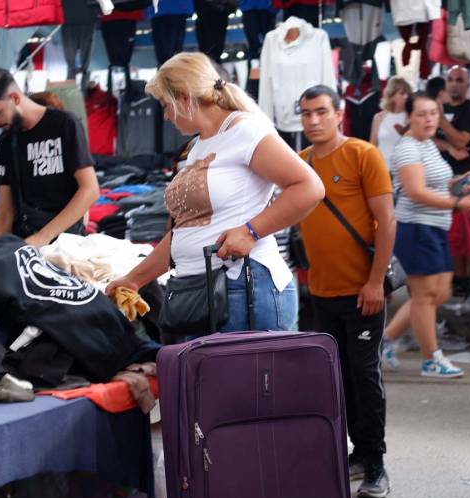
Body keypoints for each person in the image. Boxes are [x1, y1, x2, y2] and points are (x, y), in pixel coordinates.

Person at [105, 52, 322, 333]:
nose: (167, 116)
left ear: (184, 97)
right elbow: (183, 231)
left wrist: (250, 231)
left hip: (242, 287)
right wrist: (134, 279)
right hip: (199, 294)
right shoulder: (197, 147)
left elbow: (309, 187)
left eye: (165, 105)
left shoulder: (246, 131)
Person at [298, 84, 396, 498]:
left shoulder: (362, 155)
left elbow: (386, 222)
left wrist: (375, 282)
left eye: (321, 112)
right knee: (336, 379)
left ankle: (375, 462)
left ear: (339, 113)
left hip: (362, 292)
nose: (314, 121)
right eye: (306, 114)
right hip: (321, 292)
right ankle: (355, 454)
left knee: (364, 376)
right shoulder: (298, 163)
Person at [381, 92, 470, 377]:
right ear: (409, 117)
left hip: (435, 228)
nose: (428, 119)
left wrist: (459, 184)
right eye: (421, 114)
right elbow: (415, 191)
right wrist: (457, 203)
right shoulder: (408, 148)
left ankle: (386, 340)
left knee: (439, 293)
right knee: (425, 295)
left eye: (433, 114)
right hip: (416, 228)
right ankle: (431, 359)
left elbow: (433, 184)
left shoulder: (427, 145)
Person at [0, 67, 99, 247]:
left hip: (66, 245)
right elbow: (5, 210)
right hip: (24, 242)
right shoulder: (5, 142)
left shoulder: (64, 124)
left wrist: (43, 237)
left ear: (14, 98)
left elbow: (90, 190)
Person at [436, 65, 470, 174]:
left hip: (462, 176)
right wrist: (449, 147)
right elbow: (428, 140)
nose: (454, 84)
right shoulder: (442, 107)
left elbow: (460, 142)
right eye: (450, 80)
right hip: (438, 173)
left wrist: (441, 118)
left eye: (459, 80)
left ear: (468, 85)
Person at [369, 76, 412, 163]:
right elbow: (372, 146)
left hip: (403, 169)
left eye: (408, 93)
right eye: (402, 93)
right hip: (381, 168)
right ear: (391, 95)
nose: (406, 96)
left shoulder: (412, 117)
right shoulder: (379, 117)